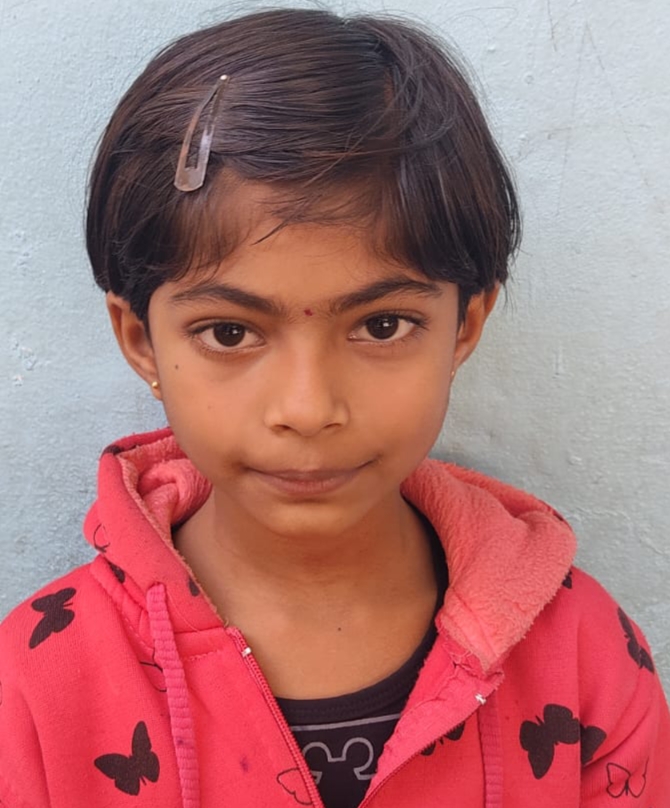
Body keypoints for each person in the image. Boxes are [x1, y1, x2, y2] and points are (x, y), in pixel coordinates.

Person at [0, 7, 667, 807]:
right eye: (229, 332)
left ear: (465, 327)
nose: (308, 408)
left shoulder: (581, 656)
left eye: (382, 326)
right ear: (141, 341)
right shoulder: (36, 685)